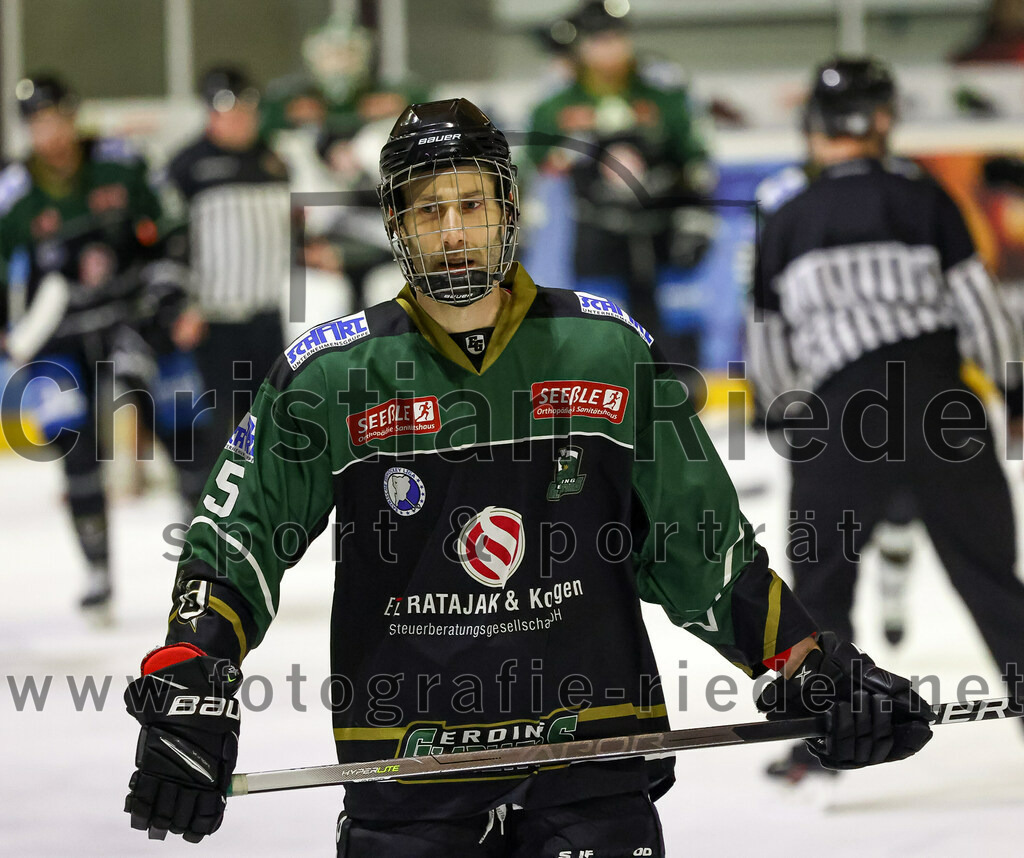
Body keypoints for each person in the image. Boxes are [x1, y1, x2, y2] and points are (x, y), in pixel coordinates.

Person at [123, 98, 931, 855]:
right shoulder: (334, 375)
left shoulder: (606, 354)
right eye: (428, 209)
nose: (454, 231)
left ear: (508, 212)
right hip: (409, 779)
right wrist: (194, 672)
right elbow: (239, 538)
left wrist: (807, 665)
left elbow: (703, 548)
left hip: (593, 766)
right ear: (397, 225)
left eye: (472, 204)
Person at [748, 57, 1024, 782]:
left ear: (815, 126)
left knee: (821, 590)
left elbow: (768, 348)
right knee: (993, 581)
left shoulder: (786, 217)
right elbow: (983, 313)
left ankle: (823, 745)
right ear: (882, 122)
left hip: (843, 411)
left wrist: (795, 429)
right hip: (940, 402)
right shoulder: (923, 197)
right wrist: (1014, 397)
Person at [0, 74, 208, 616]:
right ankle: (97, 569)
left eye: (56, 119)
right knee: (74, 445)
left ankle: (204, 554)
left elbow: (172, 230)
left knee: (179, 428)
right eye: (37, 124)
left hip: (133, 318)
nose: (49, 133)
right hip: (62, 336)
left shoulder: (121, 161)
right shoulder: (13, 193)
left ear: (73, 116)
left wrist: (172, 299)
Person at [528, 0, 715, 371]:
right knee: (594, 325)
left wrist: (697, 218)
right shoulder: (554, 107)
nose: (609, 48)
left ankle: (675, 389)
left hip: (656, 235)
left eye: (616, 37)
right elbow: (534, 169)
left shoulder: (664, 96)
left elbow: (695, 162)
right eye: (598, 39)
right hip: (588, 237)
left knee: (670, 327)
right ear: (580, 45)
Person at [162, 66, 292, 467]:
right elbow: (168, 244)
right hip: (213, 321)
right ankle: (208, 516)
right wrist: (179, 306)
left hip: (269, 316)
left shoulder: (276, 158)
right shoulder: (186, 166)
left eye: (247, 109)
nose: (240, 119)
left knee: (271, 426)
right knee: (218, 427)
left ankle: (263, 519)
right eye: (229, 110)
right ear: (210, 114)